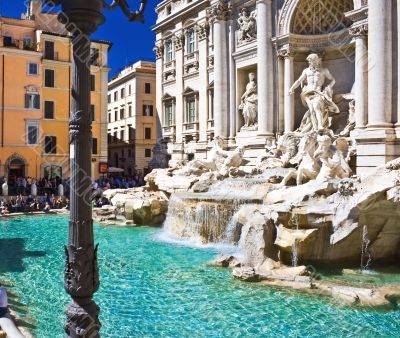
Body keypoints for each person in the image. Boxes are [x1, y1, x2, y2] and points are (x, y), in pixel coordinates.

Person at [289, 53, 340, 132]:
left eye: (311, 61)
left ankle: (320, 125)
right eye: (309, 61)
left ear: (316, 60)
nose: (309, 62)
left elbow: (333, 80)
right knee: (312, 110)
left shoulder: (324, 70)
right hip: (307, 93)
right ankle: (314, 128)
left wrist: (329, 87)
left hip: (318, 92)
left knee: (316, 106)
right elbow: (299, 81)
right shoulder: (306, 71)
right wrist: (292, 88)